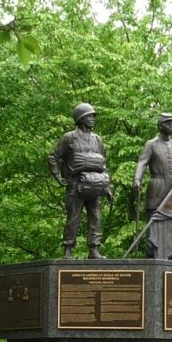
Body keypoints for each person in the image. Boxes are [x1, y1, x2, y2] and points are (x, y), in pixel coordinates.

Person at [47, 103, 111, 259]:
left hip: (96, 185)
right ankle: (68, 249)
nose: (93, 119)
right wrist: (58, 176)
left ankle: (94, 249)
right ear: (81, 118)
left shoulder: (97, 140)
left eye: (93, 116)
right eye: (90, 116)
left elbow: (103, 164)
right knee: (73, 217)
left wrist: (108, 188)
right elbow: (53, 157)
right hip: (76, 185)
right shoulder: (69, 138)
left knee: (96, 217)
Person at [133, 113, 172, 259]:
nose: (171, 126)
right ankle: (153, 252)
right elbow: (142, 162)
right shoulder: (151, 144)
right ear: (161, 125)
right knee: (154, 224)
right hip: (157, 188)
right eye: (168, 123)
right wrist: (137, 179)